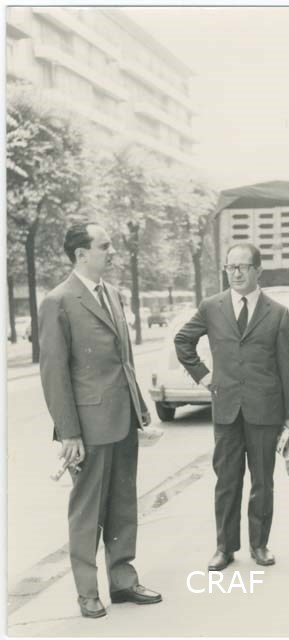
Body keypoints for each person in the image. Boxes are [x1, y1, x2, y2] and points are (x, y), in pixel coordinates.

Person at [39, 222, 162, 618]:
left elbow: (124, 361)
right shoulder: (59, 301)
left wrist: (141, 411)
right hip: (89, 427)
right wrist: (69, 433)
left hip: (123, 420)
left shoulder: (112, 294)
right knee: (87, 512)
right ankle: (88, 592)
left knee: (123, 505)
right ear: (81, 254)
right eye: (104, 246)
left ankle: (123, 581)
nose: (112, 252)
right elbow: (54, 374)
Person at [174, 242, 289, 571]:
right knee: (227, 481)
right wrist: (204, 377)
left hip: (265, 411)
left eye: (243, 267)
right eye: (231, 267)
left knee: (263, 482)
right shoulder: (211, 307)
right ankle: (224, 547)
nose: (236, 273)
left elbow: (286, 367)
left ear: (259, 270)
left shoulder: (277, 312)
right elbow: (183, 341)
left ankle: (260, 545)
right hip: (227, 409)